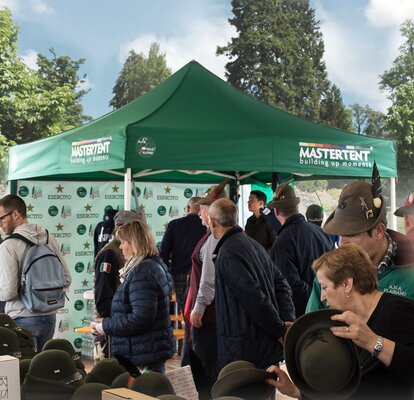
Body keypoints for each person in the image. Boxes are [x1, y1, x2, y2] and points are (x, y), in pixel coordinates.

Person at [267, 244, 414, 399]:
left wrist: (373, 342)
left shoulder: (396, 311)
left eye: (324, 287)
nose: (322, 297)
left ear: (346, 284)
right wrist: (296, 391)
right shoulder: (347, 321)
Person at [210, 198, 295, 371]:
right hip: (263, 346)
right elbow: (281, 284)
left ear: (213, 222)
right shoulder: (253, 244)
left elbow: (254, 297)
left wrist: (281, 329)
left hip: (245, 350)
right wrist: (285, 322)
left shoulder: (228, 252)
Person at [306, 178, 414, 312]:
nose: (341, 243)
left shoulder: (410, 274)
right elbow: (312, 328)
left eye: (351, 234)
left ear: (378, 231)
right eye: (339, 234)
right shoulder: (327, 275)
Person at [91, 220, 174, 373]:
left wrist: (105, 327)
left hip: (142, 355)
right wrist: (109, 321)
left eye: (123, 242)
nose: (120, 246)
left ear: (133, 243)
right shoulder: (152, 265)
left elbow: (141, 318)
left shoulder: (142, 273)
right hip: (145, 350)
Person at [0, 194, 71, 351]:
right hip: (50, 317)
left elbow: (9, 293)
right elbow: (67, 278)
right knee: (42, 369)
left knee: (25, 370)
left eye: (2, 219)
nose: (0, 225)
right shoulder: (48, 238)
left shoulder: (8, 245)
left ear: (16, 214)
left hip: (22, 318)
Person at [183, 181, 226, 393]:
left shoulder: (214, 239)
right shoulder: (211, 236)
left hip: (208, 318)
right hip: (206, 317)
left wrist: (199, 307)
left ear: (214, 210)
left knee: (206, 373)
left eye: (203, 208)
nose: (199, 213)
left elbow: (209, 279)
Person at [269, 181, 334, 317]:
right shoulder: (320, 232)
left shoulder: (282, 242)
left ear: (276, 211)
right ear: (297, 207)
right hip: (327, 307)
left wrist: (313, 304)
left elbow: (289, 285)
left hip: (302, 316)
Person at [94, 210, 145, 356]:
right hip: (113, 327)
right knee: (112, 372)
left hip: (124, 325)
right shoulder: (110, 253)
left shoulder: (134, 252)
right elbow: (103, 295)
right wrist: (113, 324)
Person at [160, 196, 206, 313]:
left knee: (186, 312)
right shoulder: (207, 227)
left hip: (179, 275)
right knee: (201, 312)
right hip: (201, 275)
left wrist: (167, 275)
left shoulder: (174, 225)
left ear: (188, 208)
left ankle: (189, 330)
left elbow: (163, 253)